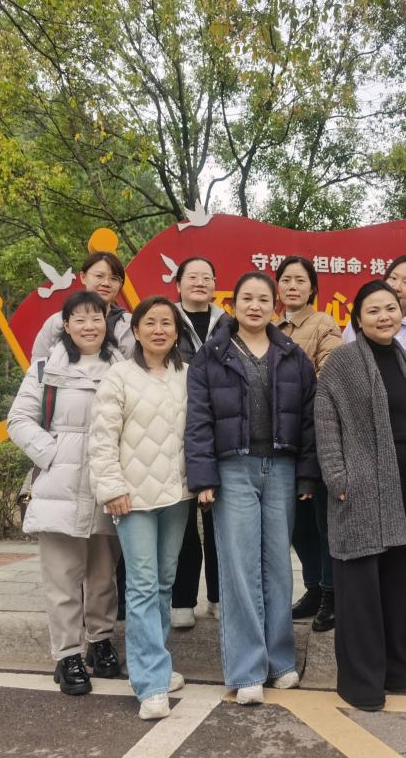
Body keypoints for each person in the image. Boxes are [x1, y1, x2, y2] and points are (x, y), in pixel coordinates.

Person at [185, 271, 319, 706]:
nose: (256, 306)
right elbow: (199, 420)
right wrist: (203, 477)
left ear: (274, 305)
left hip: (281, 468)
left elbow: (308, 420)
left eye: (263, 299)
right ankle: (246, 670)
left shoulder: (292, 355)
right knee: (239, 569)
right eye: (247, 298)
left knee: (277, 566)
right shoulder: (211, 356)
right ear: (234, 304)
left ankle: (280, 661)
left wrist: (307, 474)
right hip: (232, 469)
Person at [317, 280, 406, 711]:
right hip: (359, 485)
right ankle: (361, 682)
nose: (384, 317)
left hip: (403, 482)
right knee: (360, 586)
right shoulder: (342, 361)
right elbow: (325, 420)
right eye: (373, 310)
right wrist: (337, 477)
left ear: (402, 313)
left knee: (396, 581)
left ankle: (397, 669)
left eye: (390, 308)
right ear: (358, 319)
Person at [7, 290, 125, 696]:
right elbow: (19, 419)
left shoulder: (123, 366)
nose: (89, 326)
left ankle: (100, 641)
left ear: (107, 322)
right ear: (66, 325)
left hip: (106, 484)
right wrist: (53, 453)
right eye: (80, 318)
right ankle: (68, 654)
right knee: (62, 577)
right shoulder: (46, 368)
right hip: (60, 485)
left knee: (103, 575)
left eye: (97, 318)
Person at [88, 296, 191, 720]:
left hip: (178, 496)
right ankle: (150, 683)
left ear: (177, 331)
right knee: (144, 585)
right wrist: (112, 487)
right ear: (136, 330)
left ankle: (156, 662)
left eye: (167, 322)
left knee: (164, 582)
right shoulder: (119, 376)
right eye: (150, 322)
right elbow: (102, 438)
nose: (159, 330)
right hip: (132, 499)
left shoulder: (187, 375)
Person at [344, 254, 406, 630]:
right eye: (394, 277)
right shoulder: (353, 334)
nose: (398, 286)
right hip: (363, 451)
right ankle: (379, 612)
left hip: (405, 450)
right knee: (375, 537)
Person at [274, 256, 343, 632]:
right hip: (278, 439)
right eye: (286, 279)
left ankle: (332, 594)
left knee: (321, 520)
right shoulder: (268, 326)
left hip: (313, 433)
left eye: (300, 280)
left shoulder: (323, 324)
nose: (292, 286)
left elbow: (328, 372)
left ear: (313, 288)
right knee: (296, 522)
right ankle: (314, 588)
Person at [171, 256, 226, 629]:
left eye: (207, 277)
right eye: (192, 276)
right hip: (173, 431)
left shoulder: (228, 323)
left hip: (219, 433)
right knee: (182, 522)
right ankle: (182, 601)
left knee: (219, 521)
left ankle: (220, 597)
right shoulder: (165, 319)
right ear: (178, 284)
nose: (200, 282)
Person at [31, 252, 135, 361]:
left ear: (120, 284)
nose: (106, 283)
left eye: (114, 278)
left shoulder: (128, 325)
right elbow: (39, 361)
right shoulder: (57, 322)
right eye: (99, 276)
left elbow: (134, 366)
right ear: (83, 277)